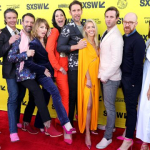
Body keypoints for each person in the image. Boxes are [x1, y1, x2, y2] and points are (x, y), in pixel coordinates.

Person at [24, 18, 76, 144]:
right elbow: (29, 63)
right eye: (41, 27)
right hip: (41, 75)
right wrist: (43, 70)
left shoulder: (46, 40)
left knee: (46, 97)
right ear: (36, 28)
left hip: (50, 73)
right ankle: (66, 123)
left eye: (45, 27)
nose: (44, 30)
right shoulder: (33, 43)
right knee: (54, 91)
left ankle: (39, 124)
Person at [96, 6, 123, 149]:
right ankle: (110, 127)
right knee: (108, 105)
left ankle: (108, 137)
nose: (108, 19)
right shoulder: (107, 32)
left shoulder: (117, 37)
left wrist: (104, 76)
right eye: (107, 16)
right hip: (104, 76)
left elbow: (116, 61)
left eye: (112, 17)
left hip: (110, 78)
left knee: (110, 107)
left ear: (117, 19)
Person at [117, 13, 145, 150]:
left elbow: (138, 65)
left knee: (131, 110)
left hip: (132, 81)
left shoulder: (138, 40)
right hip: (125, 79)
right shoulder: (124, 37)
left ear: (136, 24)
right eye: (125, 22)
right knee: (129, 109)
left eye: (130, 22)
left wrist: (132, 83)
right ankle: (127, 132)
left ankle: (128, 140)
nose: (127, 24)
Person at [57, 0, 87, 126]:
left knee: (83, 96)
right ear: (70, 12)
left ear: (81, 11)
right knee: (73, 96)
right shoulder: (68, 28)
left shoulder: (86, 26)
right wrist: (76, 46)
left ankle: (82, 122)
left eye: (78, 10)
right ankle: (69, 124)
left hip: (86, 68)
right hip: (74, 68)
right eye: (74, 10)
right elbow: (60, 47)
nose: (76, 13)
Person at [45, 9, 72, 143]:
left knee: (67, 98)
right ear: (54, 19)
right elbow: (49, 51)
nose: (59, 18)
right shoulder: (54, 31)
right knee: (65, 98)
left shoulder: (67, 29)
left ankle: (61, 122)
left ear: (65, 17)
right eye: (57, 16)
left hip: (70, 68)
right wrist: (58, 67)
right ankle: (66, 130)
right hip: (61, 70)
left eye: (61, 15)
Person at [0, 8, 26, 142]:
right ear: (5, 19)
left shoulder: (20, 31)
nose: (12, 20)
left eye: (14, 17)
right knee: (14, 97)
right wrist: (9, 42)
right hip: (10, 72)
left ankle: (16, 121)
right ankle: (13, 131)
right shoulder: (2, 33)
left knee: (20, 95)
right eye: (9, 18)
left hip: (21, 71)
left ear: (17, 18)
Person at [78, 19, 99, 149]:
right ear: (85, 29)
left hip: (96, 77)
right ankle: (87, 134)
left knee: (92, 105)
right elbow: (83, 62)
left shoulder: (97, 43)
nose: (91, 29)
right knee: (88, 105)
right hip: (88, 78)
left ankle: (91, 126)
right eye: (89, 27)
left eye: (93, 27)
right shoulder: (83, 43)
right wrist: (89, 79)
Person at [136, 21, 150, 150]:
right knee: (145, 109)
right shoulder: (149, 39)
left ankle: (146, 142)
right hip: (146, 77)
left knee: (148, 110)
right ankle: (145, 140)